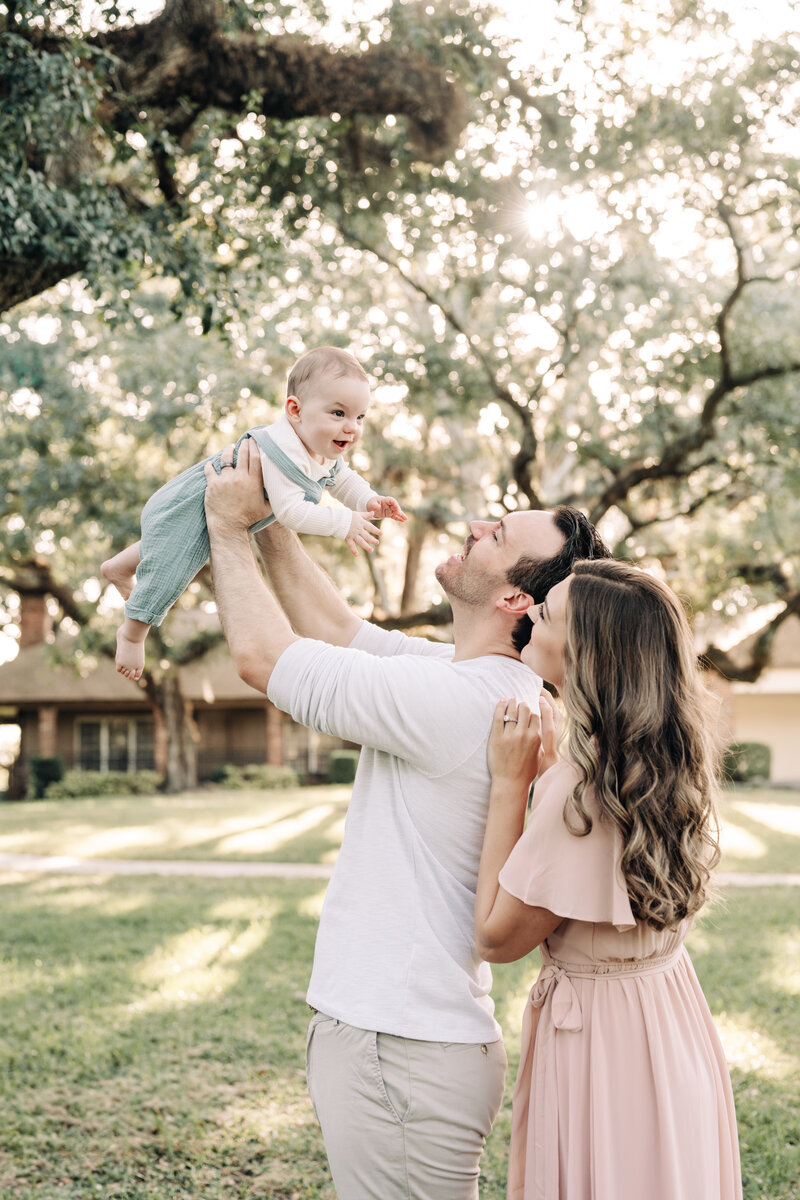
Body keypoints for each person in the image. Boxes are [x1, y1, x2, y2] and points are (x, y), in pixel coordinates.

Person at [201, 434, 610, 1200]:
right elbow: (339, 633)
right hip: (404, 1042)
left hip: (401, 1049)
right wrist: (271, 517)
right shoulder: (473, 680)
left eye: (498, 535)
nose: (475, 526)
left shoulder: (461, 703)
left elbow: (263, 657)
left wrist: (225, 527)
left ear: (517, 599)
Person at [475, 559, 743, 1200]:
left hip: (606, 1042)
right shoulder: (666, 757)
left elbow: (495, 939)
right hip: (669, 1017)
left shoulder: (581, 787)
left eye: (550, 611)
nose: (532, 610)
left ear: (588, 654)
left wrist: (513, 785)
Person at [101, 346, 406, 680]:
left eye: (359, 417)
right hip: (191, 503)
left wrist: (368, 500)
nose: (352, 428)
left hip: (197, 514)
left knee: (172, 545)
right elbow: (291, 512)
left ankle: (119, 567)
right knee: (170, 570)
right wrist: (343, 522)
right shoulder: (280, 452)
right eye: (339, 414)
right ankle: (131, 634)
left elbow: (342, 479)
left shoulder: (320, 450)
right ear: (295, 410)